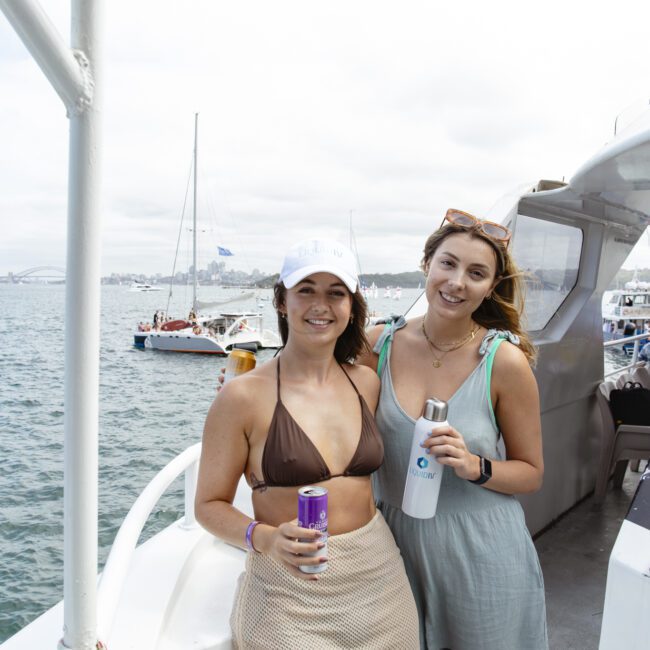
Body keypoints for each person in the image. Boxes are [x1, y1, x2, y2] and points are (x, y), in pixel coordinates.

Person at [195, 239, 419, 649]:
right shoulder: (242, 397)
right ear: (282, 301)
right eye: (306, 290)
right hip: (288, 591)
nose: (321, 305)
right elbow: (208, 506)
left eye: (336, 293)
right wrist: (264, 538)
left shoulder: (366, 383)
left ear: (351, 307)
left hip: (380, 577)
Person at [358, 209, 548, 649]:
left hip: (480, 552)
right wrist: (251, 385)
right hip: (393, 548)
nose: (457, 282)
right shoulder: (378, 344)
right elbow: (316, 394)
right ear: (427, 265)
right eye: (448, 263)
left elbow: (532, 472)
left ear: (490, 287)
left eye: (476, 273)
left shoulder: (502, 362)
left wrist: (473, 465)